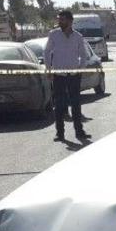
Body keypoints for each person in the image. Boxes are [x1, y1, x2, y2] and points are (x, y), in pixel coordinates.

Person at [44, 9, 91, 142]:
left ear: (70, 21)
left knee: (76, 104)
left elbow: (83, 55)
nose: (60, 22)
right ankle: (60, 133)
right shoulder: (54, 35)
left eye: (63, 19)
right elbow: (47, 52)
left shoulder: (78, 37)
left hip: (74, 76)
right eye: (59, 19)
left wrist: (80, 70)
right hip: (59, 75)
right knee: (59, 105)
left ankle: (79, 132)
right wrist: (49, 69)